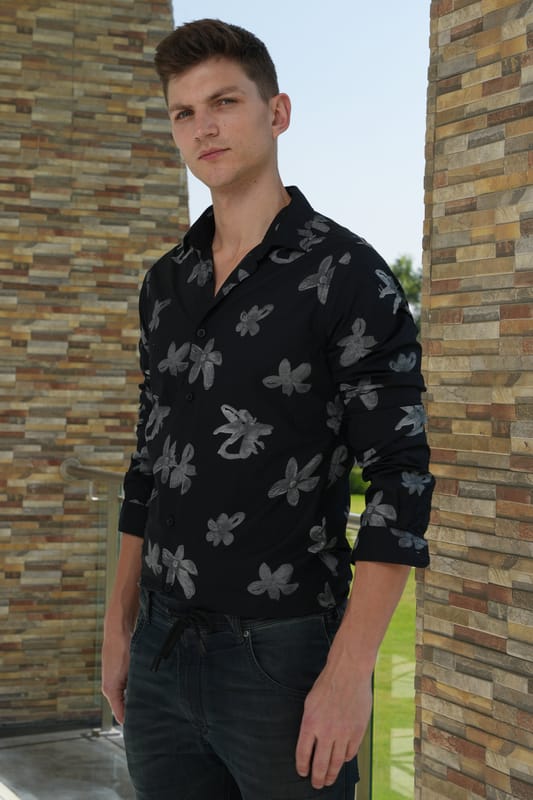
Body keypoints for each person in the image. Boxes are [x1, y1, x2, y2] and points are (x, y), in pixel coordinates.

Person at [102, 18, 434, 800]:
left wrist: (349, 673)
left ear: (276, 112)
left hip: (282, 660)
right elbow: (148, 464)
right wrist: (118, 628)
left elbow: (399, 477)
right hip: (160, 648)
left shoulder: (347, 274)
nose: (203, 127)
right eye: (184, 112)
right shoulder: (164, 284)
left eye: (223, 102)